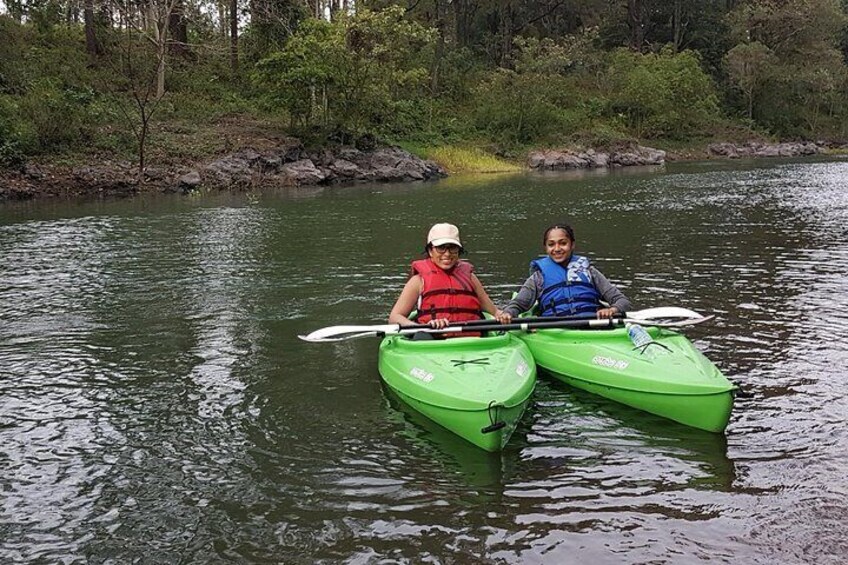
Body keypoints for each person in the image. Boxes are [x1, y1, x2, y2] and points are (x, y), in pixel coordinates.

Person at [389, 223, 512, 331]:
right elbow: (395, 317)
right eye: (441, 248)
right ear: (430, 251)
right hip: (432, 340)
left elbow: (494, 312)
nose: (447, 254)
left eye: (452, 248)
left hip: (472, 342)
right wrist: (422, 328)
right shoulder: (417, 281)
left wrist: (503, 315)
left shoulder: (470, 278)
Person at [502, 223, 631, 320]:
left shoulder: (590, 272)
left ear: (572, 245)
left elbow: (622, 301)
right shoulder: (538, 278)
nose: (557, 249)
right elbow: (518, 305)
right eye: (551, 244)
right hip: (555, 332)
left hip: (591, 327)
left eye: (563, 243)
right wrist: (508, 314)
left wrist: (612, 310)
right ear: (545, 248)